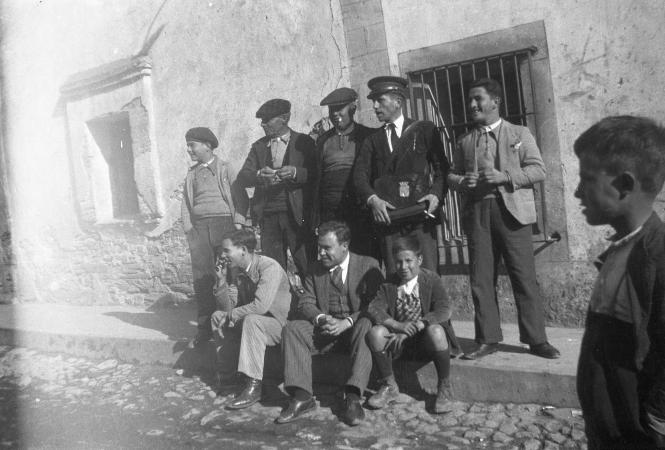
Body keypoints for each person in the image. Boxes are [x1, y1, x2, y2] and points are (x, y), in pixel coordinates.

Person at [447, 78, 559, 360]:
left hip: (513, 214)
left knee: (523, 276)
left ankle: (536, 340)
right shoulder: (465, 141)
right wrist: (462, 181)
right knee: (481, 278)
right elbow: (450, 175)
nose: (472, 105)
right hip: (478, 213)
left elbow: (538, 170)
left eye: (478, 99)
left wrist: (505, 177)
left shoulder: (519, 133)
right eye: (470, 100)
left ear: (495, 101)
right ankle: (487, 339)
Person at [573, 116, 665, 449]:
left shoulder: (656, 257)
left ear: (624, 185)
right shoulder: (620, 249)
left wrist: (657, 419)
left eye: (586, 179)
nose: (577, 192)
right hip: (608, 430)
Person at [277, 221, 384, 425]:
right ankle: (302, 396)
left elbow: (375, 304)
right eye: (319, 247)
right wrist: (321, 318)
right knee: (292, 328)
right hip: (326, 330)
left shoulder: (367, 265)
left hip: (355, 331)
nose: (321, 253)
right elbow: (306, 302)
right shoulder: (315, 269)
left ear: (344, 246)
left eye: (327, 248)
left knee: (366, 325)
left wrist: (347, 322)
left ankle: (352, 397)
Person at [353, 76, 448, 275]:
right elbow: (359, 176)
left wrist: (435, 195)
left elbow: (442, 169)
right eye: (373, 102)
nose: (375, 106)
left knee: (427, 275)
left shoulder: (423, 130)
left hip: (421, 218)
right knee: (396, 277)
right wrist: (373, 200)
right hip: (390, 221)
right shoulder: (372, 140)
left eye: (380, 100)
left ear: (398, 101)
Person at [366, 235, 461, 414]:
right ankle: (389, 385)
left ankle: (444, 387)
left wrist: (419, 324)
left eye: (408, 261)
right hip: (399, 344)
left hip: (426, 343)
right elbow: (374, 308)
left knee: (436, 331)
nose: (403, 267)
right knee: (376, 333)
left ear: (420, 259)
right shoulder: (389, 284)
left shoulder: (431, 280)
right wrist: (397, 325)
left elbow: (444, 309)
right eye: (398, 262)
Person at [210, 229, 292, 410]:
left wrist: (233, 315)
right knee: (217, 317)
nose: (222, 256)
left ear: (243, 250)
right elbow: (228, 309)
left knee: (252, 320)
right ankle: (229, 379)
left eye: (226, 251)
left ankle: (254, 386)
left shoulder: (269, 267)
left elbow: (261, 306)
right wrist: (221, 281)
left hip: (279, 325)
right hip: (254, 323)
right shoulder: (237, 271)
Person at [236, 98, 316, 281]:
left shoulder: (304, 142)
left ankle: (313, 299)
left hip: (297, 216)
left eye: (267, 120)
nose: (262, 124)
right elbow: (243, 177)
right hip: (268, 216)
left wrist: (295, 172)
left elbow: (315, 173)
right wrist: (259, 175)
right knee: (274, 267)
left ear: (285, 118)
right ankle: (281, 299)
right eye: (262, 121)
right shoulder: (258, 147)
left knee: (306, 263)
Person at [181, 127, 245, 347]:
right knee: (202, 278)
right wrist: (189, 230)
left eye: (192, 145)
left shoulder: (225, 168)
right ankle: (204, 328)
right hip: (199, 229)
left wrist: (238, 223)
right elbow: (185, 204)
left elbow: (239, 196)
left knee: (229, 274)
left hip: (224, 225)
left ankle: (232, 324)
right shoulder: (192, 174)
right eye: (188, 146)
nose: (189, 150)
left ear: (207, 146)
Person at [313, 87, 377, 258]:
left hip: (359, 210)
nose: (335, 114)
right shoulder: (323, 141)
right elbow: (317, 180)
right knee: (334, 256)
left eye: (339, 108)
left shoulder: (368, 136)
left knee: (363, 255)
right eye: (331, 110)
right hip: (331, 212)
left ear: (353, 108)